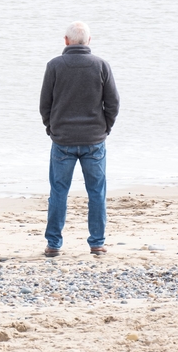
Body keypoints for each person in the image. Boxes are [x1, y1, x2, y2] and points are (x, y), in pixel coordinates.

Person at [39, 21, 120, 257]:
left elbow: (45, 105)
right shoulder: (101, 65)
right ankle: (97, 242)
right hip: (93, 140)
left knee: (58, 192)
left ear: (66, 41)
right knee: (96, 192)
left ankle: (54, 244)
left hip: (63, 140)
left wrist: (51, 129)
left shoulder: (54, 65)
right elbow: (113, 104)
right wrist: (104, 129)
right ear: (89, 41)